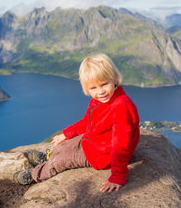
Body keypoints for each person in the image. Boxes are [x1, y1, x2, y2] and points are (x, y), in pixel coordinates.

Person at [14, 53, 140, 193]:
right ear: (87, 88)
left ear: (114, 79)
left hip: (103, 156)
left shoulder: (120, 106)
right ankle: (48, 158)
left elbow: (121, 146)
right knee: (63, 144)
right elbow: (88, 121)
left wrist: (118, 176)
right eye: (93, 88)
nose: (100, 92)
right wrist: (67, 134)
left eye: (104, 84)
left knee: (62, 161)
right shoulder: (99, 100)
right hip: (95, 141)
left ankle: (34, 174)